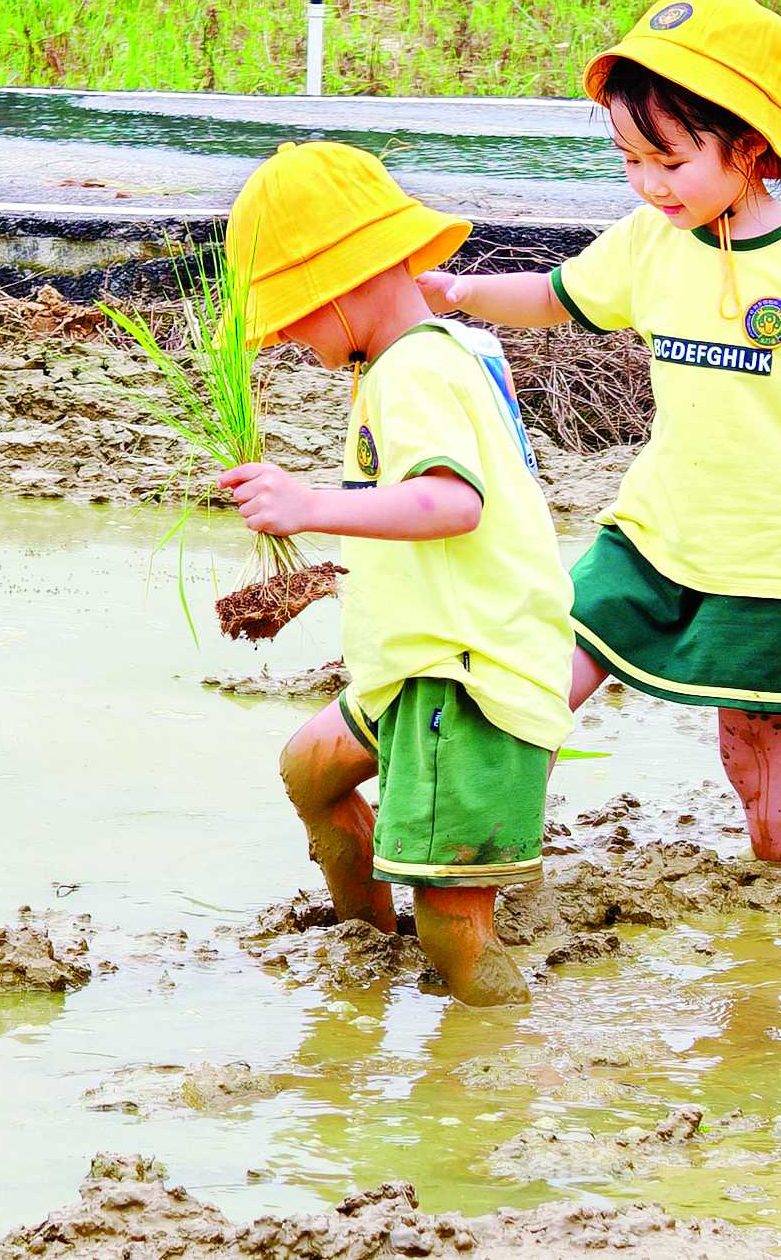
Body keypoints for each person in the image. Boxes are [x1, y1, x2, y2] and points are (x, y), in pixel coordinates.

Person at [419, 0, 781, 876]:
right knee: (541, 683)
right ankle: (473, 868)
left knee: (752, 758)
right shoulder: (645, 241)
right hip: (652, 527)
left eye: (670, 161)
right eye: (631, 161)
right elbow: (556, 294)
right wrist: (467, 293)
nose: (651, 185)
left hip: (771, 553)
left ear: (748, 144)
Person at [224, 141, 574, 1006]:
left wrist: (306, 506)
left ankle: (510, 1066)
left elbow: (452, 504)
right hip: (415, 667)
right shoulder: (425, 352)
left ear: (337, 287)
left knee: (453, 930)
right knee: (314, 769)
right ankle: (366, 954)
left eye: (292, 320)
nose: (291, 342)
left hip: (462, 681)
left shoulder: (413, 368)